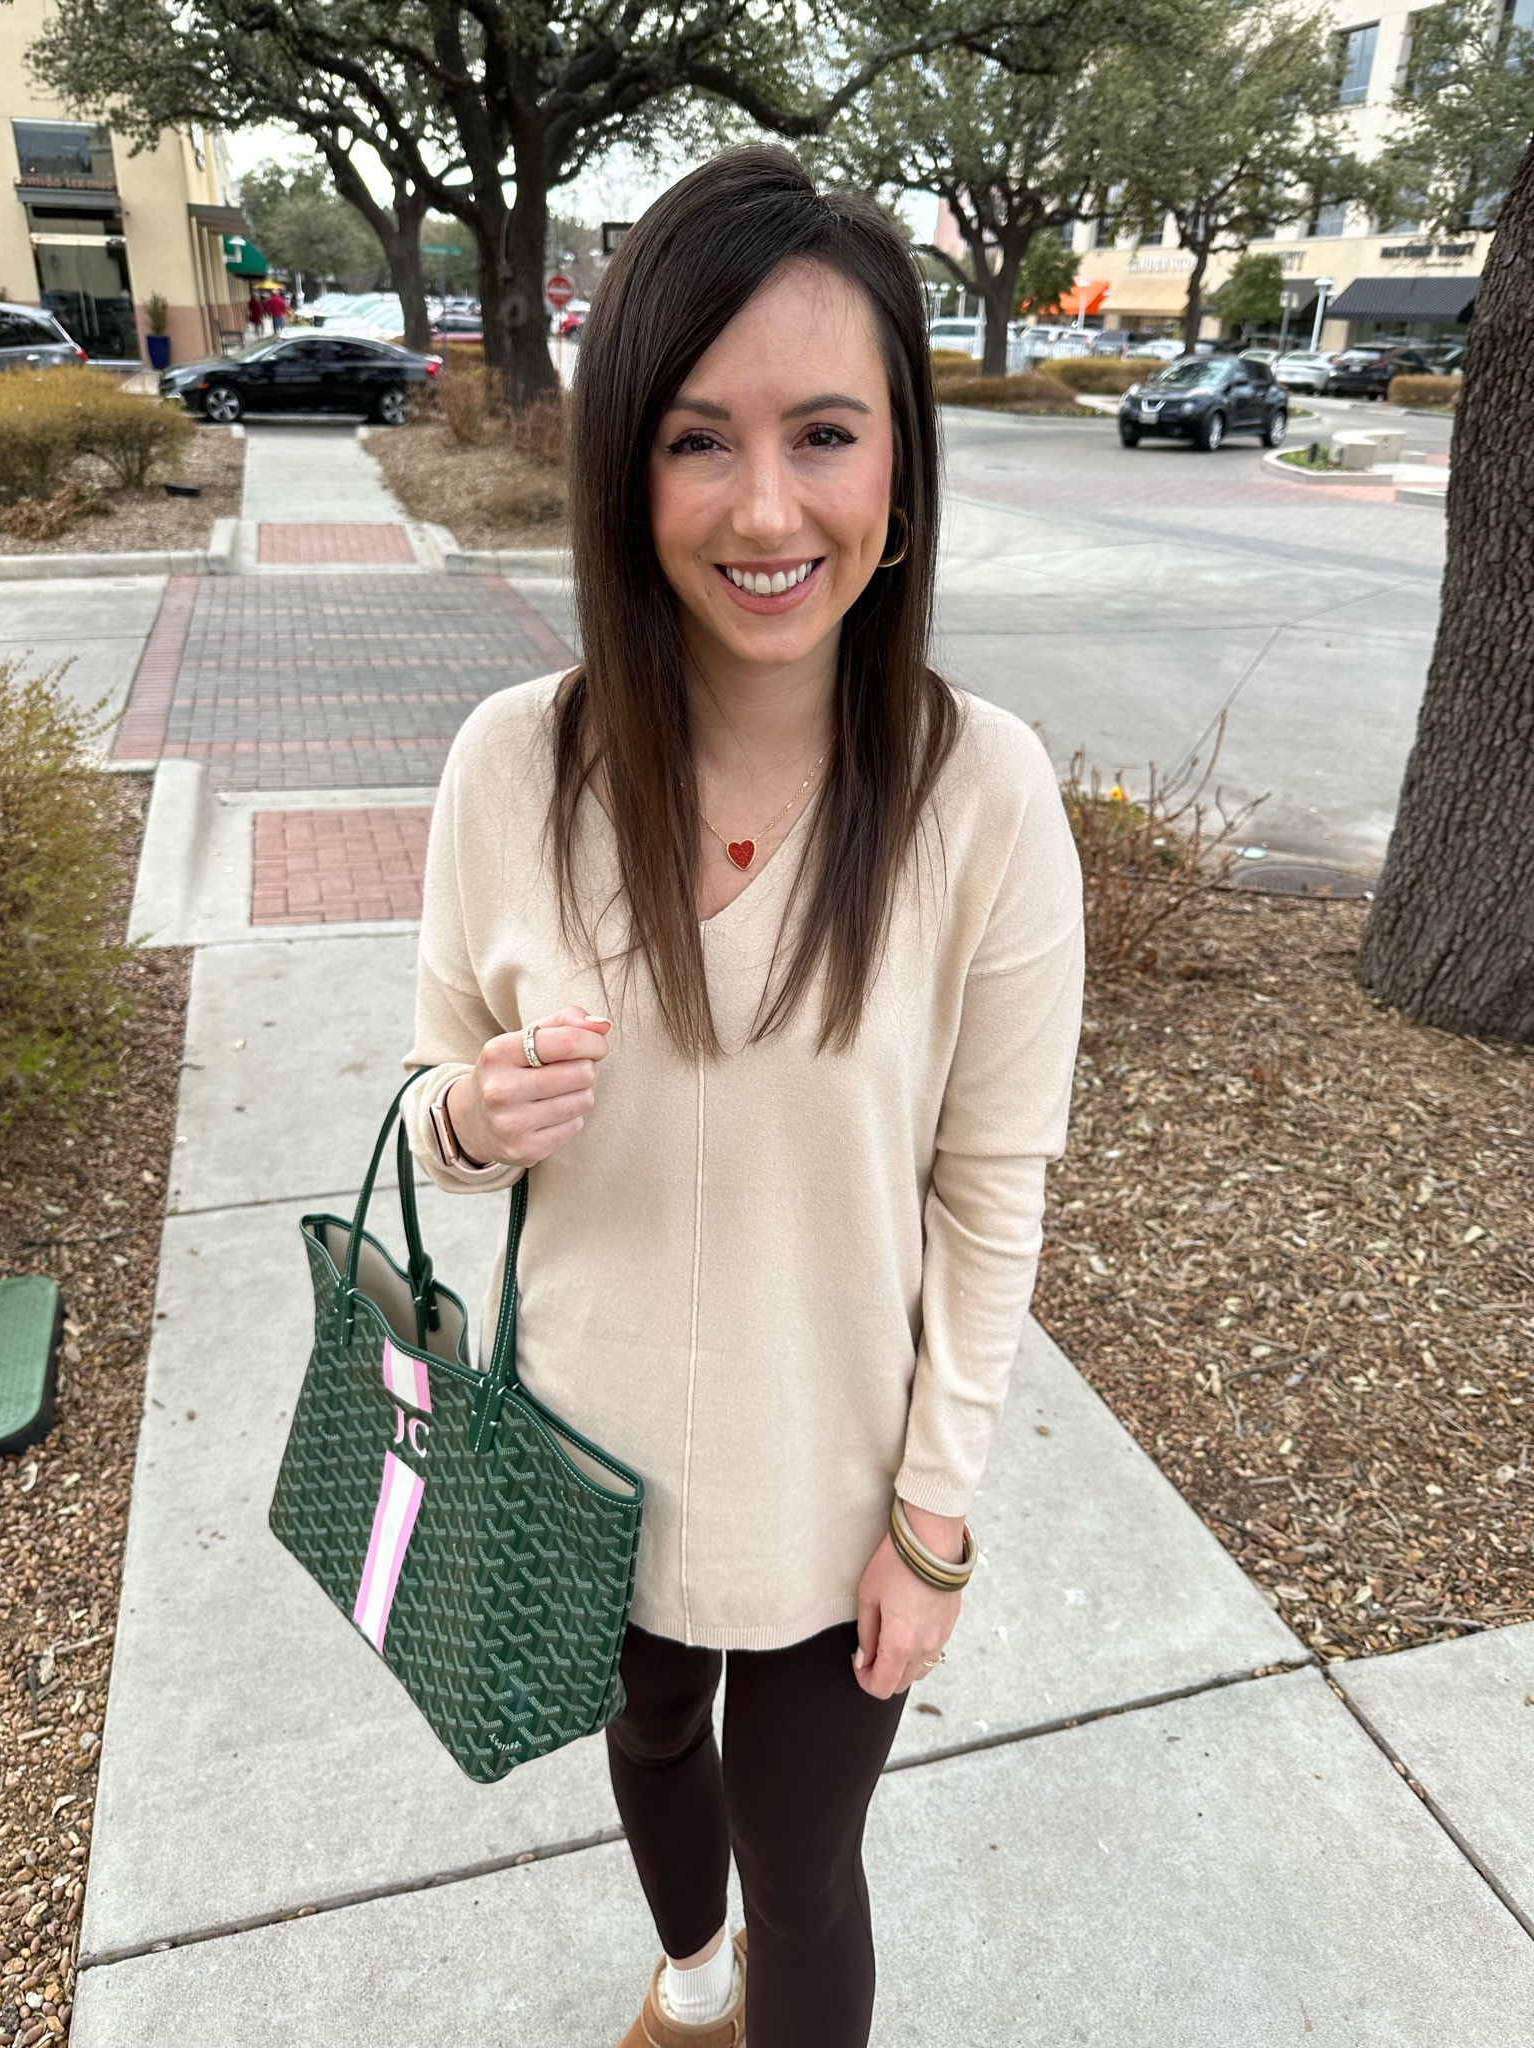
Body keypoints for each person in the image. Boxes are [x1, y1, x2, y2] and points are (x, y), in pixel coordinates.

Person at [404, 145, 1083, 2048]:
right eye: (701, 438)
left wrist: (933, 1523)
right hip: (581, 1465)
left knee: (811, 1869)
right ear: (627, 465)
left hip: (832, 1490)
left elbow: (990, 1192)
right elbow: (420, 1098)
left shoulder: (983, 798)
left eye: (827, 433)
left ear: (900, 469)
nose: (767, 507)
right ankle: (682, 1989)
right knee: (645, 1748)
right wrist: (468, 1118)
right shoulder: (508, 769)